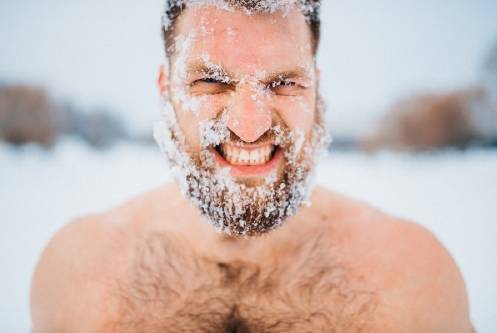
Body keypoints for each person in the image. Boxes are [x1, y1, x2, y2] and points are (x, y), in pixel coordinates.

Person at [31, 1, 474, 332]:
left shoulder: (416, 281)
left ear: (316, 88)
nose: (249, 127)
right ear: (165, 89)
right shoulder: (76, 277)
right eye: (211, 82)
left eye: (283, 83)